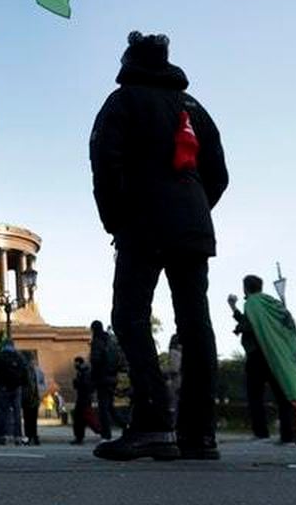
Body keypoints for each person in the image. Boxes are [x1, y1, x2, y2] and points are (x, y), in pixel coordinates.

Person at [90, 31, 228, 462]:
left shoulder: (123, 102)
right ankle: (199, 434)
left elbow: (105, 165)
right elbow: (219, 173)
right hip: (192, 228)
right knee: (195, 324)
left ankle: (152, 422)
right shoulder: (194, 109)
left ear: (130, 60)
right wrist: (193, 210)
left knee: (129, 316)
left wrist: (116, 218)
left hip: (143, 223)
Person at [229, 276, 296, 445]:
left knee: (255, 395)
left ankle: (261, 433)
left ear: (245, 288)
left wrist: (237, 322)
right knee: (282, 395)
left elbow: (249, 325)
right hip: (278, 356)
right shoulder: (273, 303)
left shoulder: (252, 303)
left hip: (258, 354)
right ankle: (287, 435)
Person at [89, 321, 120, 439]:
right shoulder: (110, 341)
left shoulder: (97, 342)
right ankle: (125, 425)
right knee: (110, 407)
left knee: (104, 408)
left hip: (102, 378)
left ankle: (106, 433)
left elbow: (95, 361)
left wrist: (93, 379)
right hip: (112, 377)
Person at [0, 339, 26, 445]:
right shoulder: (19, 356)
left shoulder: (1, 357)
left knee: (4, 412)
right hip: (17, 388)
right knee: (17, 413)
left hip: (4, 388)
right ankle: (18, 436)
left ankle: (4, 436)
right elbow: (24, 372)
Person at [21, 351, 44, 446]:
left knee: (27, 419)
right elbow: (42, 384)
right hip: (35, 397)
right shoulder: (38, 370)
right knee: (33, 419)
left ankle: (29, 437)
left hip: (27, 397)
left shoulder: (24, 369)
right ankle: (34, 437)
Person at [71, 356, 94, 444]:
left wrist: (77, 382)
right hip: (84, 398)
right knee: (81, 419)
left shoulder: (84, 372)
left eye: (75, 362)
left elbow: (85, 385)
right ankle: (79, 437)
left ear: (79, 362)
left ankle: (79, 437)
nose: (74, 364)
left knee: (79, 419)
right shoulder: (83, 371)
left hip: (84, 399)